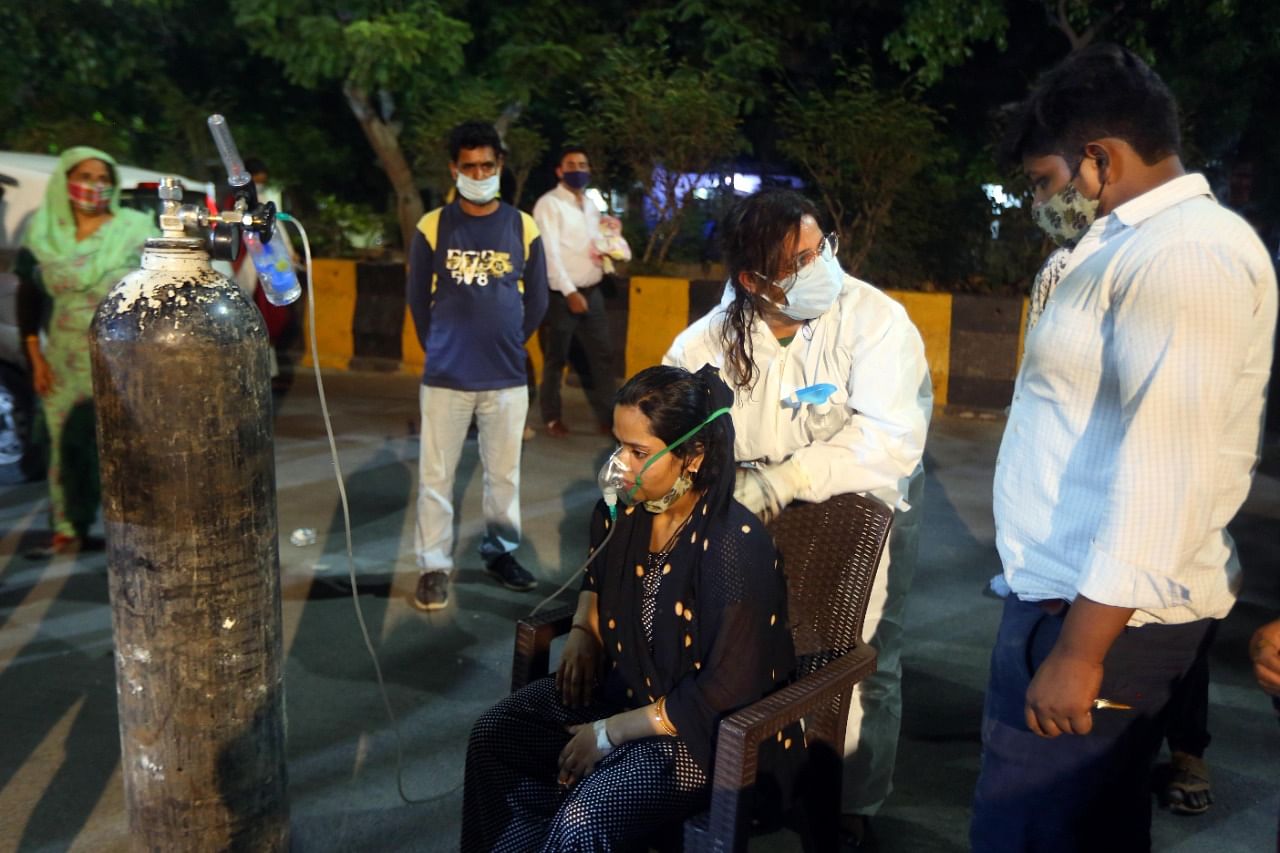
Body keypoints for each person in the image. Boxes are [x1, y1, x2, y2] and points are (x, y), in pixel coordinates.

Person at [971, 44, 1277, 852]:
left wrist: (1079, 650)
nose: (1040, 201)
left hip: (1100, 620)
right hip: (1066, 601)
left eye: (1044, 181)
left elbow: (1163, 466)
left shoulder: (1185, 254)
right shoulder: (1125, 244)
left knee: (1033, 834)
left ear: (1098, 158)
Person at [663, 188, 932, 847]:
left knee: (860, 656)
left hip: (862, 512)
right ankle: (752, 784)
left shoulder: (876, 320)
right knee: (755, 652)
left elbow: (889, 440)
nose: (822, 268)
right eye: (800, 260)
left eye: (823, 248)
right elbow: (668, 434)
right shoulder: (705, 343)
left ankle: (851, 802)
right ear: (753, 280)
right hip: (752, 517)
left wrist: (788, 479)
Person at [461, 364, 799, 851]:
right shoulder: (623, 514)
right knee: (494, 736)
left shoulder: (731, 547)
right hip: (626, 693)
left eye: (638, 452)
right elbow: (599, 575)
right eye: (618, 445)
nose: (619, 465)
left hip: (703, 738)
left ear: (693, 456)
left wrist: (610, 733)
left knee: (585, 817)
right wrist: (583, 626)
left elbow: (728, 691)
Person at [406, 121, 549, 611]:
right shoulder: (432, 226)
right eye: (469, 166)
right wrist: (442, 347)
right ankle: (432, 566)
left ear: (500, 167)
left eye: (487, 165)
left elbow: (539, 300)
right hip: (446, 376)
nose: (479, 173)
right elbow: (417, 301)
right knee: (436, 477)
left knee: (504, 476)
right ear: (455, 169)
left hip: (508, 376)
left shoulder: (522, 225)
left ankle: (501, 552)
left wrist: (509, 341)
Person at [15, 146, 157, 557]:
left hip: (124, 356)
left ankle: (133, 530)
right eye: (86, 177)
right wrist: (35, 357)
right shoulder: (43, 236)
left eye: (103, 179)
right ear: (65, 182)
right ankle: (68, 527)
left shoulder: (133, 229)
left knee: (124, 444)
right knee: (63, 445)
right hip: (62, 357)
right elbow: (29, 300)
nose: (94, 186)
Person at [532, 146, 616, 437]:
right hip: (562, 295)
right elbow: (550, 254)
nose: (577, 169)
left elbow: (595, 243)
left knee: (603, 356)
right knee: (556, 358)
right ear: (559, 170)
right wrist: (569, 292)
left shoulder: (590, 205)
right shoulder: (549, 205)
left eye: (582, 164)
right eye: (571, 164)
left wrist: (610, 240)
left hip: (593, 292)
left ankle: (609, 416)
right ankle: (552, 416)